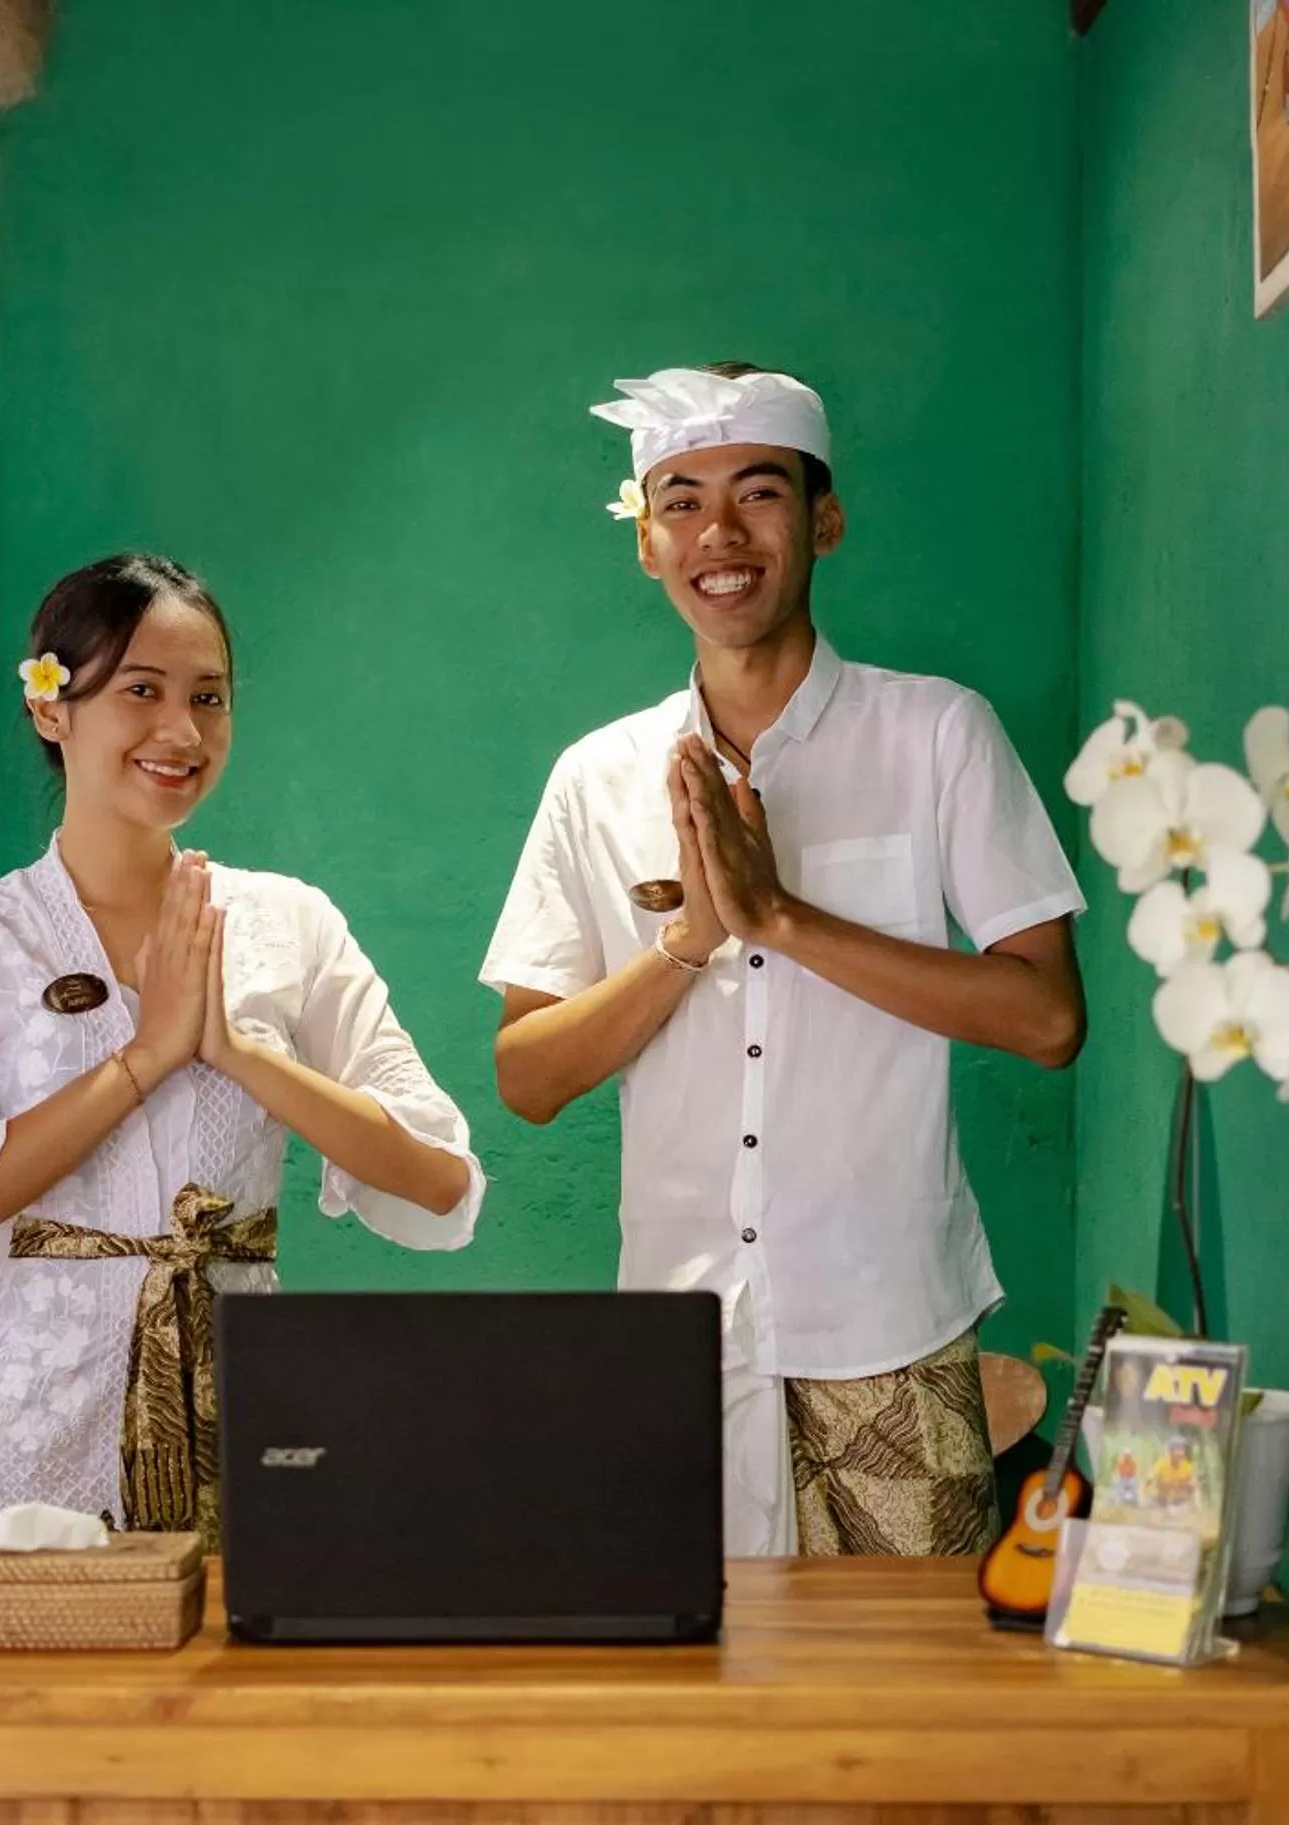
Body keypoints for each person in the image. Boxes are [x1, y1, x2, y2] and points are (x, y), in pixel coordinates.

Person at [481, 364, 1086, 1557]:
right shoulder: (594, 778)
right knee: (688, 1723)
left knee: (915, 1708)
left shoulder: (935, 734)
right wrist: (688, 941)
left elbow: (1046, 1019)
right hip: (674, 1344)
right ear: (645, 542)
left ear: (823, 521)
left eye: (758, 494)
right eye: (680, 499)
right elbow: (527, 1077)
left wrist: (783, 920)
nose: (719, 532)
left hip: (893, 1328)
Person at [0, 553, 481, 1544]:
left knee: (244, 1704)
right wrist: (143, 1059)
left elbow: (438, 1177)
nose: (182, 731)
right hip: (14, 1458)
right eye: (140, 691)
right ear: (49, 707)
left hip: (256, 1438)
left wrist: (235, 1050)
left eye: (209, 697)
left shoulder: (290, 922)